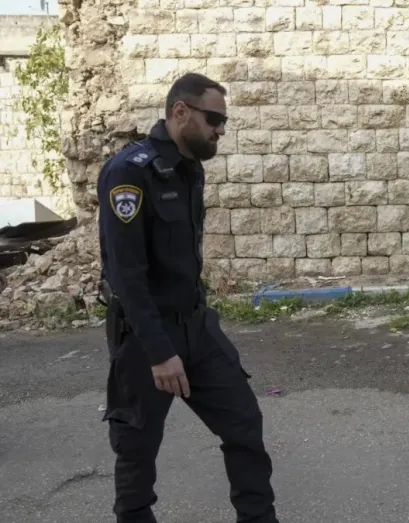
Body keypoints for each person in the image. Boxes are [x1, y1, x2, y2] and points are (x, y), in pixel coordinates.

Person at [96, 72, 280, 523]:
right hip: (146, 336)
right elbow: (126, 275)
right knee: (137, 446)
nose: (221, 130)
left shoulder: (189, 165)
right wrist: (160, 353)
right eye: (215, 119)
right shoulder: (129, 172)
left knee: (244, 424)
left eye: (224, 121)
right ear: (181, 111)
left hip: (196, 326)